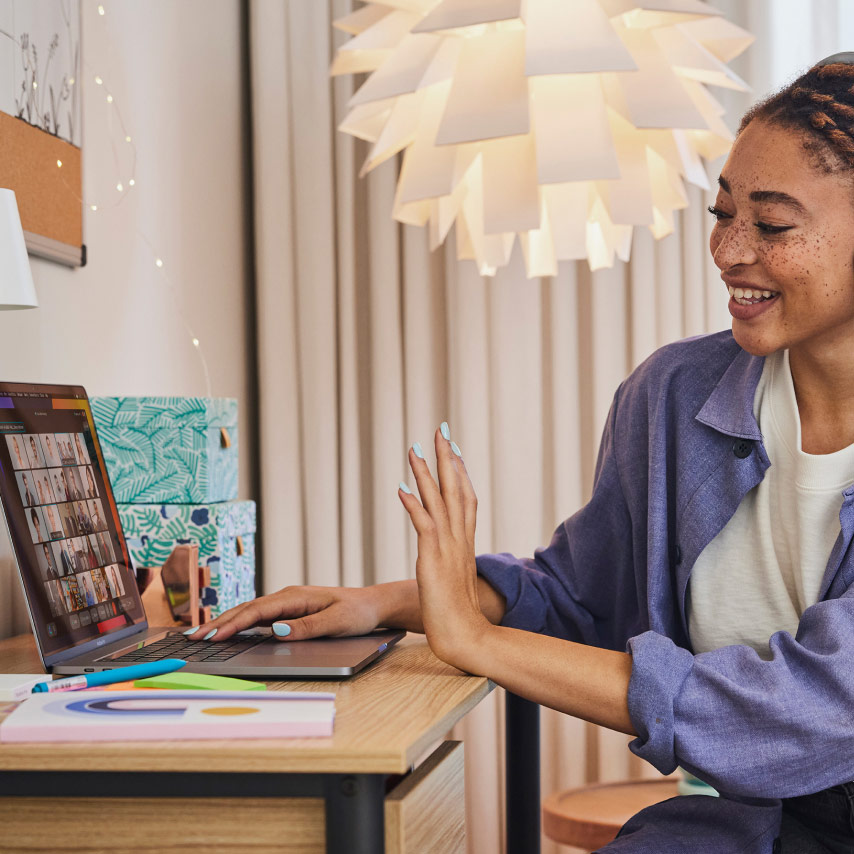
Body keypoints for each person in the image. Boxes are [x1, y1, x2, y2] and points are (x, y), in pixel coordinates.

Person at [186, 59, 854, 851]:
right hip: (744, 826)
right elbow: (580, 596)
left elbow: (807, 707)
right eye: (721, 212)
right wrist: (388, 603)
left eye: (772, 225)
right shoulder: (675, 396)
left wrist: (475, 640)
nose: (729, 250)